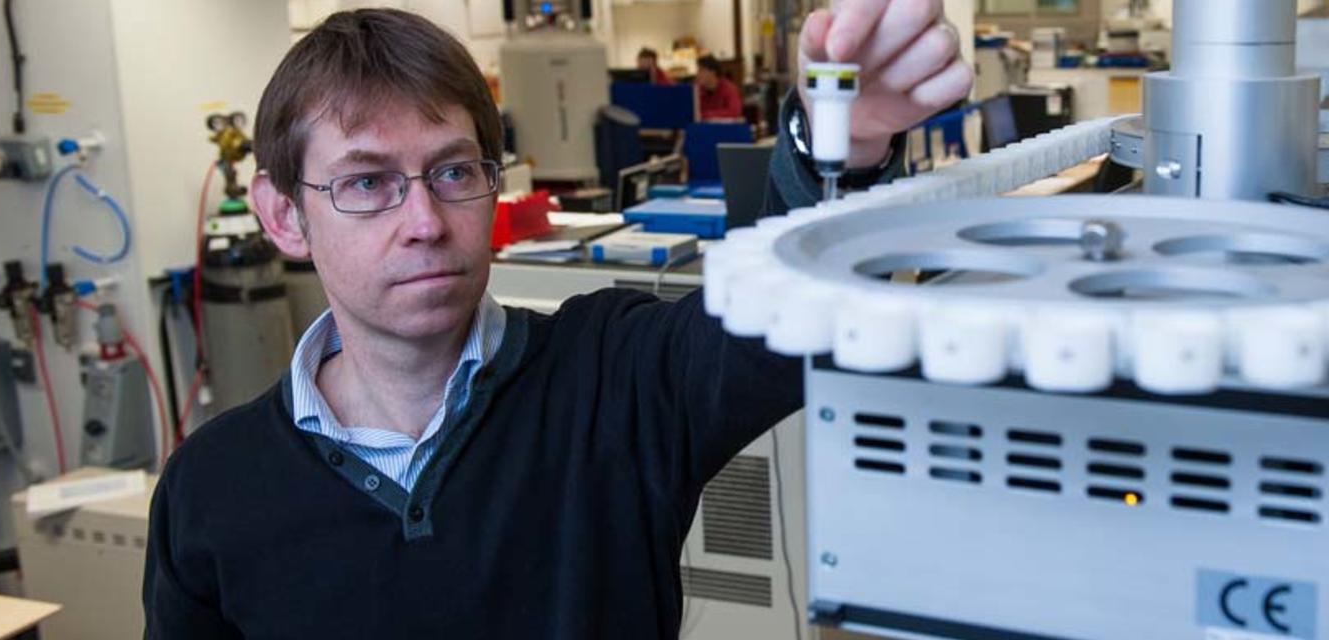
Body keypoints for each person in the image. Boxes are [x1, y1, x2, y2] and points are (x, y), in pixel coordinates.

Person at [142, 3, 970, 638]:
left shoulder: (613, 377)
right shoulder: (210, 492)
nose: (424, 220)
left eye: (453, 171)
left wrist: (840, 141)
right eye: (367, 183)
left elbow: (784, 317)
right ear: (284, 217)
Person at [695, 54, 744, 121]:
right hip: (705, 129)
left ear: (712, 72)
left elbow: (734, 112)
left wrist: (707, 114)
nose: (698, 74)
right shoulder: (698, 90)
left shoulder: (729, 88)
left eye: (701, 70)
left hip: (725, 129)